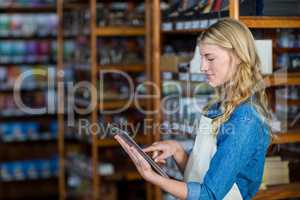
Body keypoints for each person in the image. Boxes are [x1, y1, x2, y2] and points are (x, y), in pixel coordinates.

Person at [115, 18, 271, 200]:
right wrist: (177, 150)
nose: (203, 67)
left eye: (210, 58)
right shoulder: (219, 106)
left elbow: (209, 194)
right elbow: (202, 176)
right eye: (202, 58)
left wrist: (153, 177)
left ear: (237, 56)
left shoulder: (246, 117)